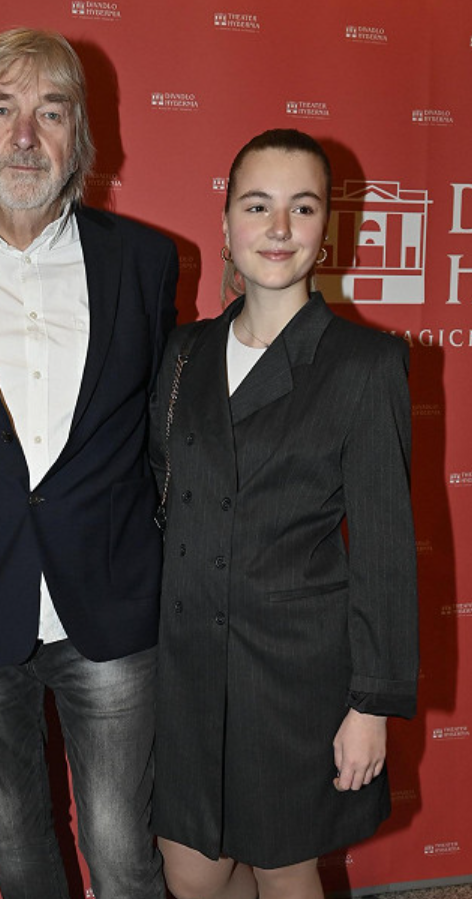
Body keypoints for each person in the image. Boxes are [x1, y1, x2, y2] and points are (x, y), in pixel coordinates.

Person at [0, 27, 178, 899]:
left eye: (50, 113)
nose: (24, 137)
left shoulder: (145, 261)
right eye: (0, 110)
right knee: (16, 847)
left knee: (123, 851)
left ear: (80, 139)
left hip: (113, 601)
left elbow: (165, 429)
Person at [150, 128, 419, 899]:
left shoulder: (364, 365)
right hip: (189, 666)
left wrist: (370, 705)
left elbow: (385, 547)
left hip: (294, 674)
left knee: (284, 867)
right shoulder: (183, 354)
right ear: (227, 220)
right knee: (192, 873)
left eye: (301, 208)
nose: (277, 228)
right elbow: (162, 495)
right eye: (257, 205)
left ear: (327, 226)